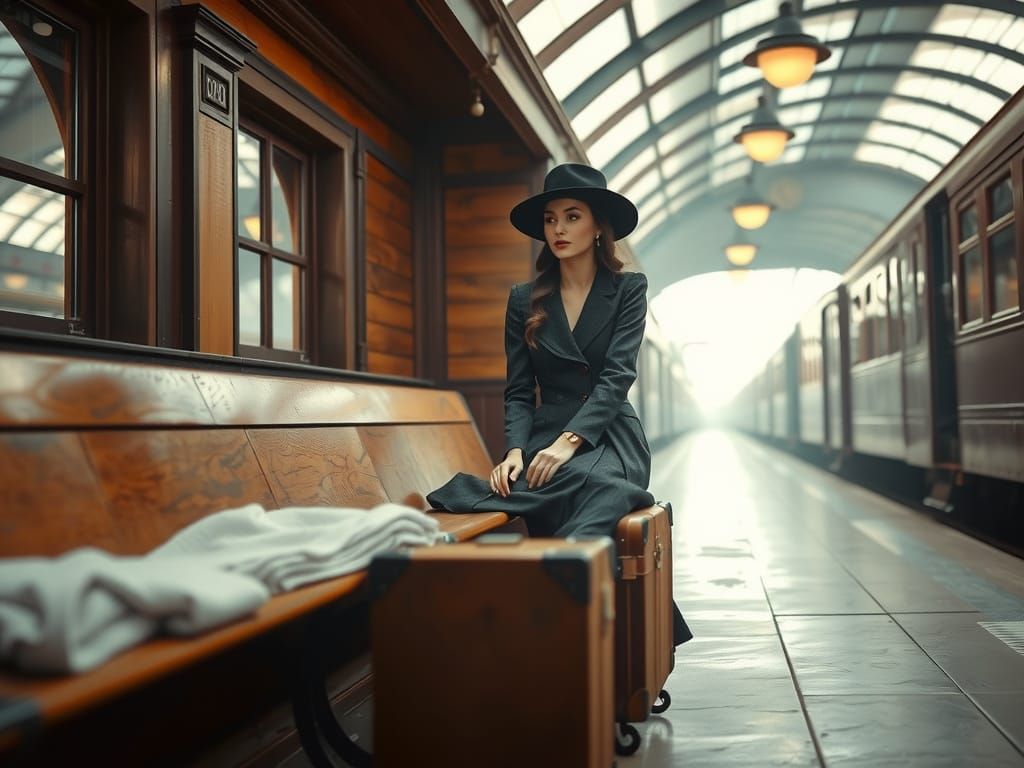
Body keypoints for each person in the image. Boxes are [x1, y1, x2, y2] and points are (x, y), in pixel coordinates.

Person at [427, 163, 691, 646]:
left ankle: (550, 596)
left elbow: (617, 377)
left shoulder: (628, 289)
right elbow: (519, 391)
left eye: (572, 217)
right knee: (580, 489)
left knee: (607, 484)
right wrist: (514, 452)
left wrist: (570, 442)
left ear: (597, 228)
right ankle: (597, 636)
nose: (559, 229)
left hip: (608, 433)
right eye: (550, 219)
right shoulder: (524, 299)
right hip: (543, 440)